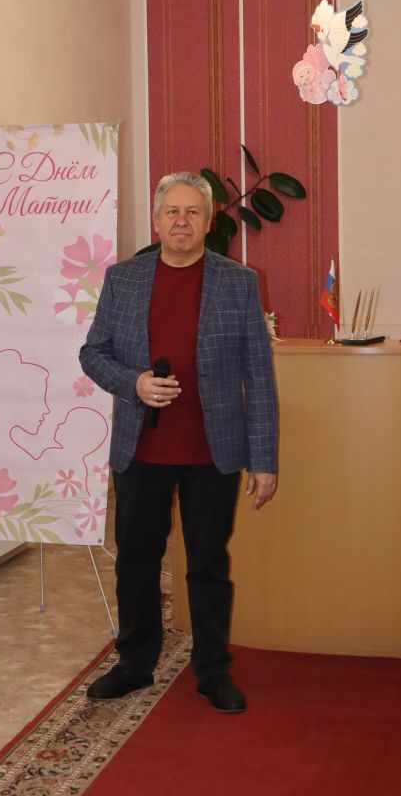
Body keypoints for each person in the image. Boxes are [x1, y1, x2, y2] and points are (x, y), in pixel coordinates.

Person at [79, 171, 278, 713]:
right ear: (156, 219)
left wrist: (264, 459)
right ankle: (134, 663)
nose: (182, 221)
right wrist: (135, 383)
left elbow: (259, 375)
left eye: (193, 212)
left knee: (208, 563)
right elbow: (93, 353)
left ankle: (212, 670)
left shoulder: (238, 282)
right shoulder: (123, 279)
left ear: (209, 221)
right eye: (172, 211)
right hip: (141, 449)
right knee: (136, 561)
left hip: (213, 450)